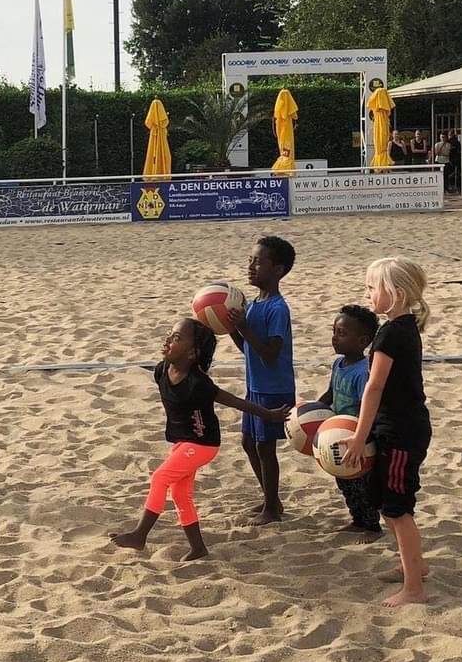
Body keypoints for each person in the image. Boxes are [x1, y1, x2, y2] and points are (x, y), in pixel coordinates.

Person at [110, 318, 289, 560]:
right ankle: (198, 548)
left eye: (177, 338)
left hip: (203, 444)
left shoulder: (198, 383)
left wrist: (268, 414)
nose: (168, 340)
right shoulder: (161, 370)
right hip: (182, 442)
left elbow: (234, 401)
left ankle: (140, 535)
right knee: (180, 494)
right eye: (170, 334)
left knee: (160, 477)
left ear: (193, 353)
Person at [341, 257, 431, 607]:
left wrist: (360, 435)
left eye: (371, 287)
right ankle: (416, 565)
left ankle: (414, 589)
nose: (367, 293)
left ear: (394, 293)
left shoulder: (393, 332)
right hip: (393, 425)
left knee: (397, 508)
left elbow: (373, 388)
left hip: (402, 432)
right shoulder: (397, 326)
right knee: (381, 498)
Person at [228, 235, 296, 526]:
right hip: (255, 386)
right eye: (250, 260)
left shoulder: (277, 308)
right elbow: (247, 349)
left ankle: (272, 507)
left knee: (265, 447)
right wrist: (233, 329)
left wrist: (243, 327)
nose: (251, 267)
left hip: (274, 388)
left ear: (278, 270)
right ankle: (272, 499)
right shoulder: (254, 304)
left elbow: (270, 353)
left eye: (258, 261)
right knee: (248, 442)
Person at [318, 305, 382, 543]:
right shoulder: (338, 365)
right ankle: (357, 520)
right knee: (344, 481)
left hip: (357, 436)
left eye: (342, 333)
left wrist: (362, 436)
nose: (335, 337)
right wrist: (313, 409)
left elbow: (368, 405)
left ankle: (372, 526)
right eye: (334, 331)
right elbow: (330, 394)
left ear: (362, 341)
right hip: (337, 434)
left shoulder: (362, 371)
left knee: (362, 483)